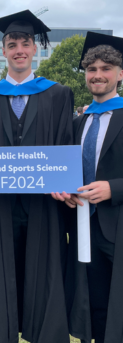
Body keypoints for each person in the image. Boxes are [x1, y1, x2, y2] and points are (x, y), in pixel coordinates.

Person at [0, 10, 74, 343]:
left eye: (25, 43)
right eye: (12, 44)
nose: (19, 49)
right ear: (3, 51)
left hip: (45, 205)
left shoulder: (58, 94)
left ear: (35, 49)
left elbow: (64, 144)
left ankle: (42, 334)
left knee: (43, 268)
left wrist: (65, 180)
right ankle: (3, 332)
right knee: (1, 267)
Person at [51, 32, 123, 343]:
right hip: (83, 225)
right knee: (90, 301)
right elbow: (66, 168)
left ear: (120, 73)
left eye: (106, 68)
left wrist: (114, 188)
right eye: (91, 69)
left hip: (117, 223)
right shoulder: (79, 123)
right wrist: (63, 189)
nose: (97, 75)